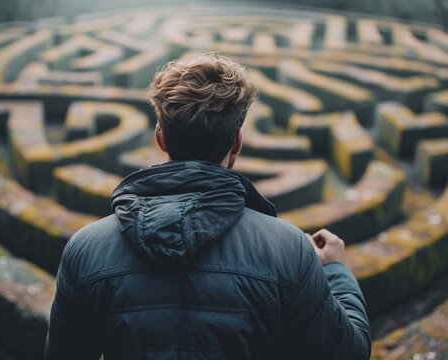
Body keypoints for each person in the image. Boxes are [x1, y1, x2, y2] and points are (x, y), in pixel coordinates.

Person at [45, 53, 371, 359]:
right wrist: (336, 271)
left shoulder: (85, 249)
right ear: (237, 142)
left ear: (161, 138)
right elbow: (350, 353)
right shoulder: (288, 249)